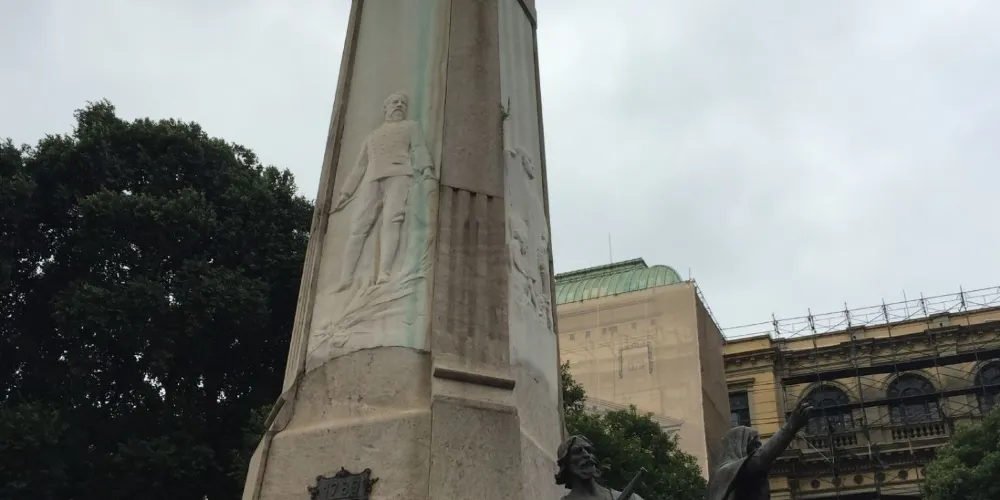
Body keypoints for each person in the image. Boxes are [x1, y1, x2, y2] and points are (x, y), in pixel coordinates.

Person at [331, 92, 433, 291]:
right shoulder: (372, 136)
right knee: (358, 227)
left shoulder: (411, 127)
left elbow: (418, 148)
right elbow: (360, 166)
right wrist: (345, 193)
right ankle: (346, 278)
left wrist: (427, 169)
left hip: (399, 174)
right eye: (395, 102)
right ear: (385, 108)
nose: (399, 105)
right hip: (371, 179)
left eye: (403, 103)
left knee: (392, 220)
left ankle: (384, 272)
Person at [708, 400, 814, 500]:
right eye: (754, 446)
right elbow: (759, 459)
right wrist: (790, 427)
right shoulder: (727, 471)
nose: (757, 450)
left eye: (758, 447)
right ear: (739, 445)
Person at [555, 435, 646, 500]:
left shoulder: (632, 498)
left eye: (588, 450)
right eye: (577, 451)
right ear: (566, 464)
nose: (587, 455)